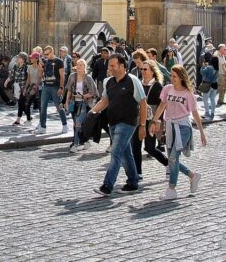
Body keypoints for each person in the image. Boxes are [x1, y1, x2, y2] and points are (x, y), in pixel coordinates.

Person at [88, 54, 147, 196]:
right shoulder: (108, 82)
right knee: (126, 153)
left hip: (128, 123)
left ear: (122, 66)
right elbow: (104, 101)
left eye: (113, 65)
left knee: (115, 153)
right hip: (112, 123)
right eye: (109, 65)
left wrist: (143, 125)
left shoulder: (133, 81)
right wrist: (91, 112)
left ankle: (107, 186)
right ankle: (133, 182)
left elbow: (143, 103)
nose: (110, 68)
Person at [150, 65, 206, 200]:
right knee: (172, 159)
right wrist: (154, 121)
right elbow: (162, 106)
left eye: (174, 76)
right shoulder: (167, 89)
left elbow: (194, 113)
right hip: (170, 126)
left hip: (183, 128)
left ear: (181, 77)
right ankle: (192, 175)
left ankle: (171, 189)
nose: (172, 78)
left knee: (173, 158)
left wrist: (202, 132)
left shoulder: (188, 94)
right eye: (171, 75)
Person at [137, 61, 168, 170]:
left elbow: (161, 105)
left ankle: (167, 164)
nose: (142, 71)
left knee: (149, 148)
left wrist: (157, 121)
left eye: (145, 69)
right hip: (138, 119)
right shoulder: (139, 83)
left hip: (151, 119)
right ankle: (138, 173)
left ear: (153, 72)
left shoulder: (157, 85)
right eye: (141, 69)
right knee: (135, 147)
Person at [64, 58, 99, 151]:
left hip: (84, 103)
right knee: (76, 123)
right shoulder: (72, 76)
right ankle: (86, 140)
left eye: (81, 65)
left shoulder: (88, 78)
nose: (79, 66)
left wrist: (83, 96)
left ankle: (75, 145)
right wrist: (66, 102)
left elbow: (93, 93)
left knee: (78, 123)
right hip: (73, 102)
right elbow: (69, 90)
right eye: (78, 65)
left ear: (85, 67)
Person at [35, 46, 68, 134]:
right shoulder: (44, 61)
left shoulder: (59, 61)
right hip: (46, 86)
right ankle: (42, 127)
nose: (46, 56)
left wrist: (61, 87)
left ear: (52, 52)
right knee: (43, 107)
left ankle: (65, 125)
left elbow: (62, 75)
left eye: (47, 54)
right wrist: (40, 66)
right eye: (45, 54)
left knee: (59, 107)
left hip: (55, 86)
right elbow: (39, 75)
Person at [8, 53, 32, 125]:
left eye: (19, 57)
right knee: (22, 103)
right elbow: (12, 75)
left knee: (21, 103)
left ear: (23, 59)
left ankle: (18, 119)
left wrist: (26, 88)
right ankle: (28, 117)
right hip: (17, 88)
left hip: (24, 88)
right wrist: (7, 81)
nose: (17, 58)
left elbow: (29, 79)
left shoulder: (27, 67)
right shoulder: (15, 66)